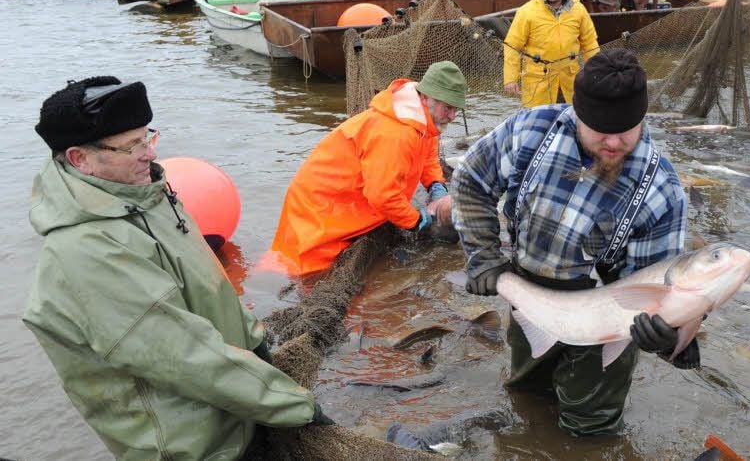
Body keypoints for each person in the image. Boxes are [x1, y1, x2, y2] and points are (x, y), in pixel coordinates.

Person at [24, 76, 330, 460]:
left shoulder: (148, 192)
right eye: (129, 146)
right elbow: (182, 354)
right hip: (197, 447)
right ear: (78, 159)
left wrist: (255, 344)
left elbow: (210, 284)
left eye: (147, 137)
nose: (149, 154)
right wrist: (294, 406)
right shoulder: (85, 251)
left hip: (238, 410)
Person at [452, 49, 694, 436]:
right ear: (578, 113)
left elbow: (655, 285)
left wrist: (666, 333)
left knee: (590, 429)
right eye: (600, 129)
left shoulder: (662, 190)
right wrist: (484, 256)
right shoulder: (529, 130)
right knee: (525, 400)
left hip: (606, 311)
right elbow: (470, 182)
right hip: (530, 295)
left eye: (627, 129)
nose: (614, 142)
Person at [269, 60, 467, 278]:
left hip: (350, 199)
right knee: (304, 271)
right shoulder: (396, 134)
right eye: (447, 107)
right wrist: (417, 221)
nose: (452, 116)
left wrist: (436, 185)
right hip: (320, 207)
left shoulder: (424, 120)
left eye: (456, 108)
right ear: (425, 97)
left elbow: (427, 155)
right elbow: (383, 196)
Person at [503, 0, 600, 108]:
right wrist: (511, 79)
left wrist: (598, 73)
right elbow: (512, 46)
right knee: (538, 126)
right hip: (538, 84)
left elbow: (590, 44)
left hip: (570, 82)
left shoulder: (579, 10)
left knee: (572, 122)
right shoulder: (526, 12)